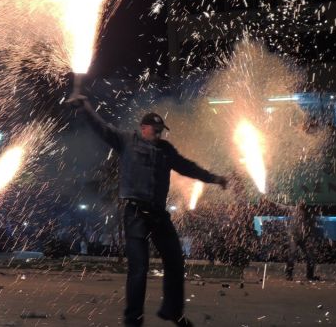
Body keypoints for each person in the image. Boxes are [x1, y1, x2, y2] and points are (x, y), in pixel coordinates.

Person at [71, 95, 228, 327]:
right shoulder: (127, 140)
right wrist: (84, 108)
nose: (158, 134)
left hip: (158, 215)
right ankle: (133, 321)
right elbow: (101, 128)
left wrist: (213, 178)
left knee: (175, 260)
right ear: (143, 128)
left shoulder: (166, 150)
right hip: (135, 214)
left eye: (160, 131)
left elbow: (187, 167)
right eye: (154, 130)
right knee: (139, 269)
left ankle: (172, 311)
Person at [284, 200, 322, 281]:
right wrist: (269, 202)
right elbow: (281, 206)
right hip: (293, 236)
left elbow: (310, 227)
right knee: (293, 253)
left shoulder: (309, 214)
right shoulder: (294, 209)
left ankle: (310, 275)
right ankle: (288, 274)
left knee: (310, 256)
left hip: (303, 237)